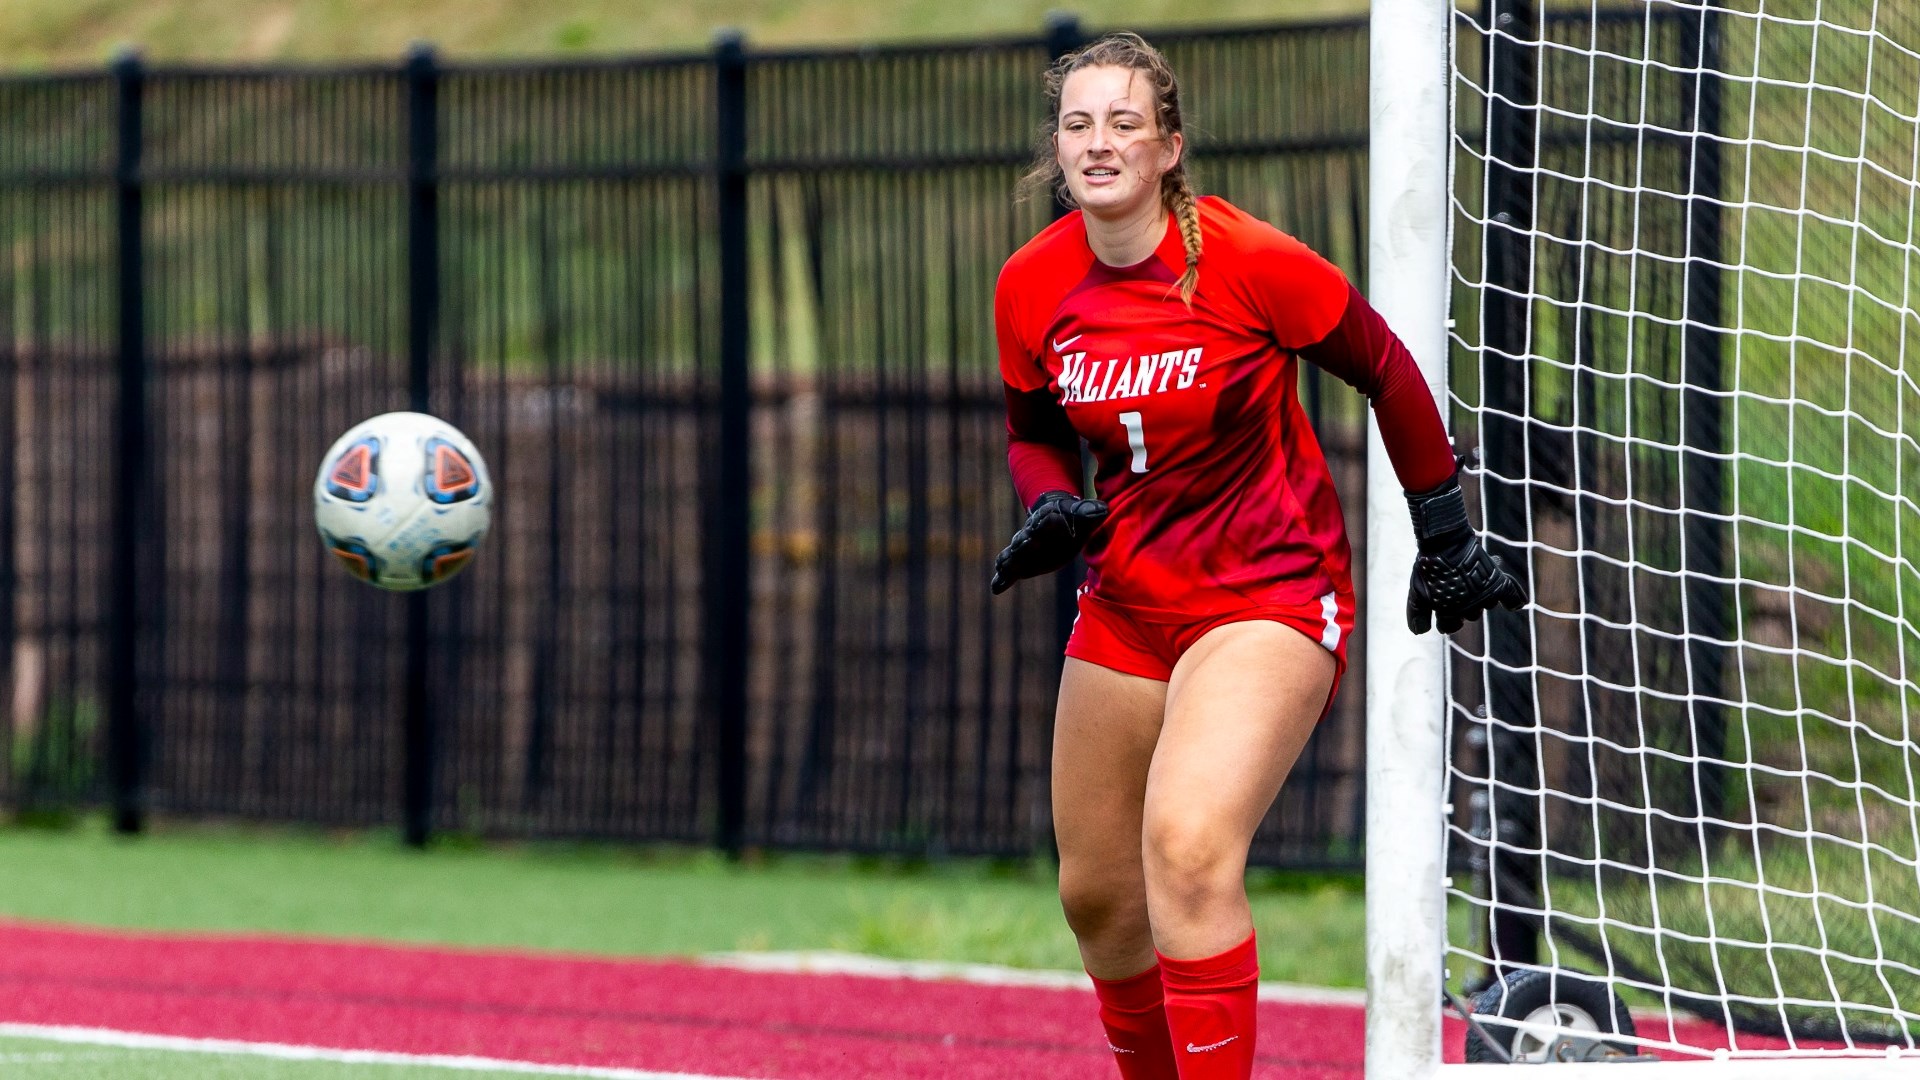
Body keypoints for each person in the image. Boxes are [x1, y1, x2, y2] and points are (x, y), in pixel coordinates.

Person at [989, 31, 1527, 1080]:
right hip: (1129, 602)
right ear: (1057, 150)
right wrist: (1050, 499)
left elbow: (1384, 365)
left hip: (1268, 597)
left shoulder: (1247, 260)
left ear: (1169, 147)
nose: (1099, 143)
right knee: (1098, 894)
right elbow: (1032, 426)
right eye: (1078, 124)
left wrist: (1445, 532)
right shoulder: (1029, 286)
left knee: (1187, 849)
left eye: (1125, 123)